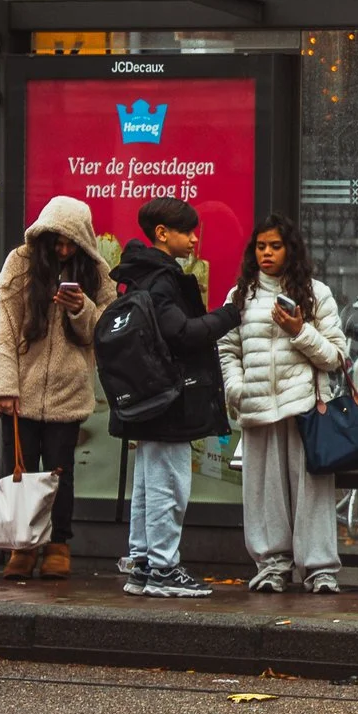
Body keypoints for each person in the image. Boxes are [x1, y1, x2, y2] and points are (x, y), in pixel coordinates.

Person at [111, 196, 242, 599]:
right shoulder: (162, 279)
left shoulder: (138, 276)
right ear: (163, 234)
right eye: (187, 230)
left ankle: (144, 563)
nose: (194, 238)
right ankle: (164, 568)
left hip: (148, 398)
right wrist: (229, 314)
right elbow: (181, 333)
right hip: (168, 398)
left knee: (150, 484)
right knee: (170, 484)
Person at [0, 196, 116, 579]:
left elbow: (101, 333)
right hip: (19, 392)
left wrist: (81, 308)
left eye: (71, 242)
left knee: (59, 474)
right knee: (18, 472)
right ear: (43, 236)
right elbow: (3, 331)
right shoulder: (20, 264)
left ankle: (59, 545)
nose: (62, 249)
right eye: (56, 241)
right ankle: (22, 546)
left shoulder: (96, 273)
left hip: (67, 390)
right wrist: (4, 386)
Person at [218, 215, 349, 594]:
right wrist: (237, 389)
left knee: (312, 491)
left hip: (305, 408)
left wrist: (299, 330)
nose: (267, 254)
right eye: (261, 247)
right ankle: (272, 564)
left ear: (290, 249)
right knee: (263, 492)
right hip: (257, 405)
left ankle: (320, 568)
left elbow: (336, 357)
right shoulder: (239, 296)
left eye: (275, 246)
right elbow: (227, 349)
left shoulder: (316, 294)